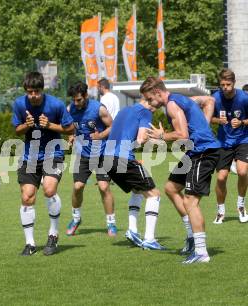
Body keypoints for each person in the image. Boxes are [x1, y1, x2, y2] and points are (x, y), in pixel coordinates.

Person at [142, 76, 221, 264]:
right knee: (171, 188)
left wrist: (162, 136)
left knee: (190, 201)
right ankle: (192, 236)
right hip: (195, 151)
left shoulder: (171, 104)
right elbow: (209, 100)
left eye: (150, 99)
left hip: (204, 152)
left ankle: (201, 252)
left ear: (158, 93)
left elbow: (182, 135)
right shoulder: (180, 98)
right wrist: (204, 125)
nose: (149, 103)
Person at [12, 71, 74, 256]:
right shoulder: (18, 104)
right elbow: (17, 130)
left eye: (37, 91)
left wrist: (50, 126)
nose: (33, 96)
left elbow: (70, 128)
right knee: (27, 197)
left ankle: (53, 234)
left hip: (52, 153)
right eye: (30, 92)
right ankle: (30, 243)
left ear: (42, 90)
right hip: (30, 156)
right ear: (26, 91)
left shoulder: (56, 104)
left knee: (49, 190)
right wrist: (27, 125)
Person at [103, 98, 164, 250]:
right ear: (150, 98)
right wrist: (158, 136)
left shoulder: (124, 110)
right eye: (158, 103)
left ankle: (133, 230)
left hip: (107, 159)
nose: (159, 106)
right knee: (154, 194)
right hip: (122, 158)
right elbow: (141, 139)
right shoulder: (145, 112)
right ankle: (149, 239)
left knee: (137, 190)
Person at [66, 81, 117, 237]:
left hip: (102, 153)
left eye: (79, 100)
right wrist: (71, 135)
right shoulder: (70, 109)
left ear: (86, 96)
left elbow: (112, 126)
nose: (76, 103)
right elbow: (71, 127)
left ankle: (111, 223)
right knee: (77, 187)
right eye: (74, 100)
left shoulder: (99, 108)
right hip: (82, 154)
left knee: (103, 187)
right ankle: (75, 219)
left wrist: (100, 136)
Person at [210, 69, 248, 224]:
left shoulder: (244, 98)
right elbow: (209, 117)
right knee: (221, 177)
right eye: (222, 84)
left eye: (228, 84)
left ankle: (241, 205)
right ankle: (220, 210)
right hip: (223, 142)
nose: (225, 87)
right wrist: (219, 121)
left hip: (243, 139)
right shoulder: (215, 98)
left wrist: (242, 122)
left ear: (234, 83)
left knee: (243, 171)